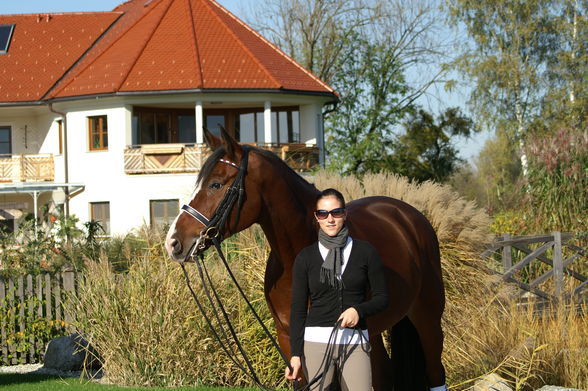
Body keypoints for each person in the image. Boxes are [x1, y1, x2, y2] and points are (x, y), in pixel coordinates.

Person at [285, 188, 389, 391]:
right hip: (315, 344)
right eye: (323, 214)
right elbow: (297, 311)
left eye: (336, 212)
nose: (330, 219)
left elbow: (382, 298)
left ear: (345, 213)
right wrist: (295, 355)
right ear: (317, 217)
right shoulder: (305, 258)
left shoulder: (365, 252)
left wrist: (358, 310)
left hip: (355, 342)